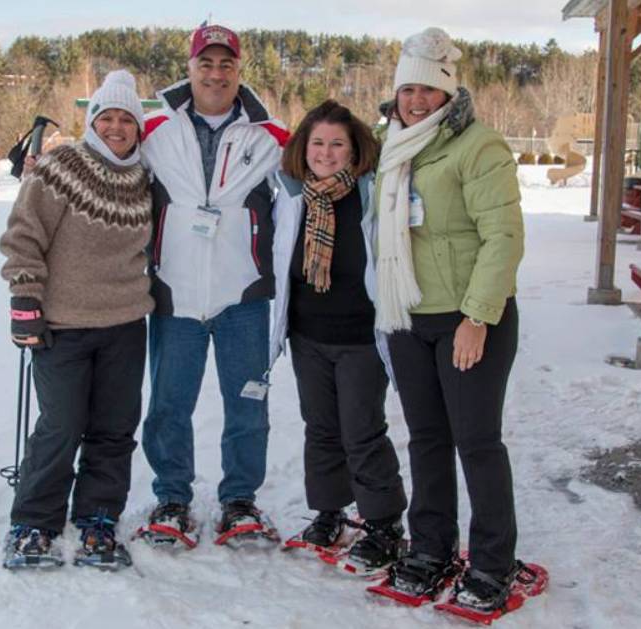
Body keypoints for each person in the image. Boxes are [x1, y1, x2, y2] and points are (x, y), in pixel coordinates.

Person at [371, 27, 527, 614]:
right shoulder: (393, 148)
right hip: (410, 316)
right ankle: (431, 546)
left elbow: (504, 238)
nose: (416, 100)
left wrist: (477, 316)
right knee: (427, 440)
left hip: (468, 318)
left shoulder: (477, 146)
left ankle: (492, 563)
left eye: (427, 90)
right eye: (406, 89)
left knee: (477, 442)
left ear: (448, 92)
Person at [136, 23, 289, 548]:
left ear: (239, 70)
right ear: (191, 66)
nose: (216, 73)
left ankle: (240, 501)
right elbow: (103, 160)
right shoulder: (152, 127)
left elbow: (323, 167)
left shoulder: (270, 135)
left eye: (227, 64)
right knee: (168, 404)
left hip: (242, 293)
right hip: (174, 291)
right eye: (207, 62)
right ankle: (172, 499)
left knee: (247, 403)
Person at [0, 70, 153, 570]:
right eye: (105, 117)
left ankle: (98, 519)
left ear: (138, 127)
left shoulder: (146, 175)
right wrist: (25, 301)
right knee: (61, 425)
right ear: (92, 122)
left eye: (125, 119)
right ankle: (34, 522)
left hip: (126, 324)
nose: (115, 127)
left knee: (113, 429)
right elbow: (24, 234)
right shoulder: (62, 165)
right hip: (62, 324)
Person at [269, 100, 406, 575]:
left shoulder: (373, 193)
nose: (326, 153)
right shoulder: (290, 194)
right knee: (321, 428)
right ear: (303, 148)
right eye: (318, 143)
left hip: (361, 338)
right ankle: (329, 513)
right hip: (308, 334)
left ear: (354, 150)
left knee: (362, 430)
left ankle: (384, 524)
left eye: (337, 144)